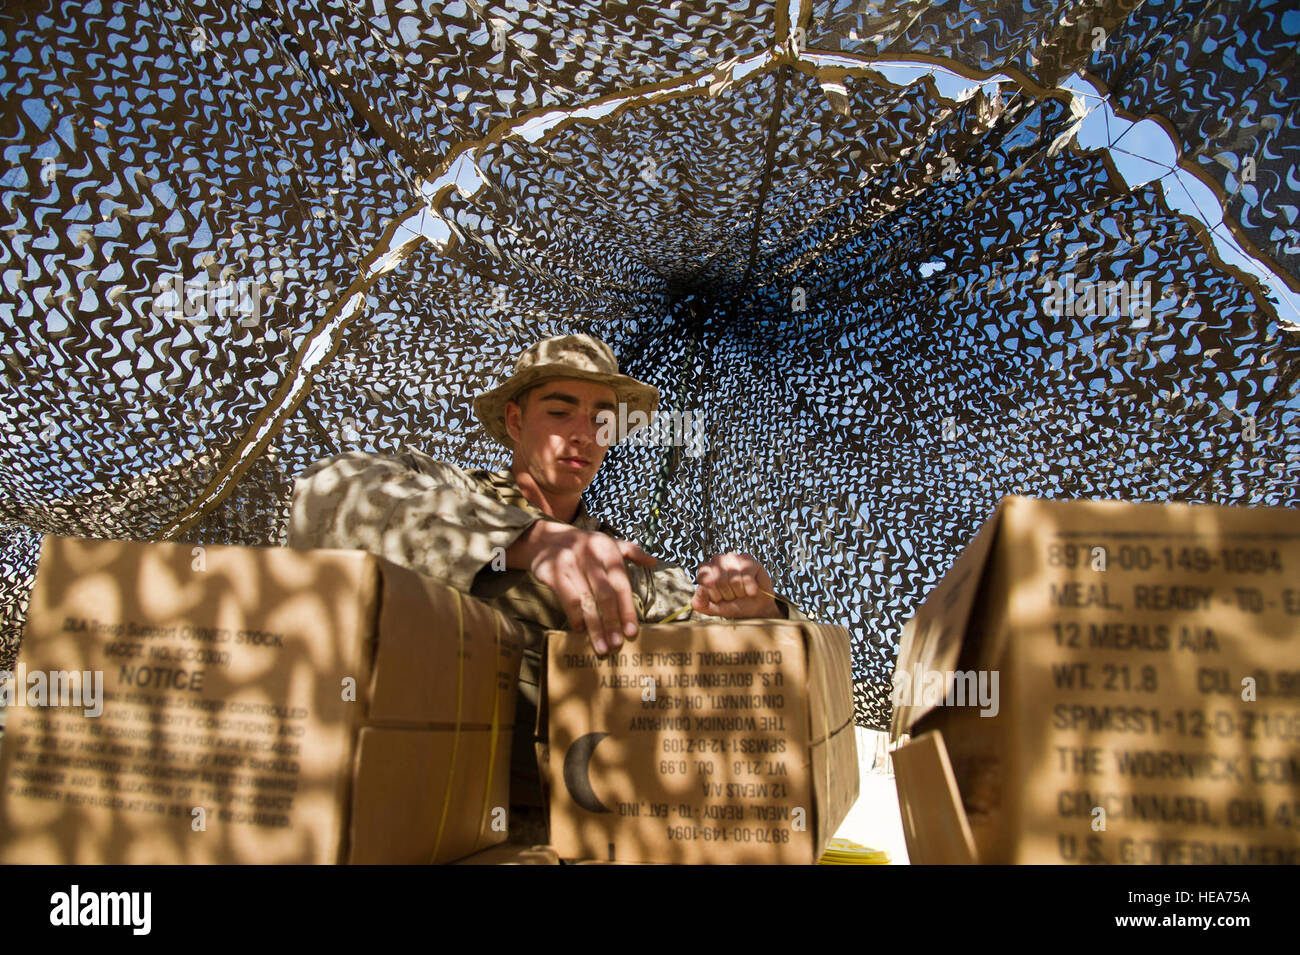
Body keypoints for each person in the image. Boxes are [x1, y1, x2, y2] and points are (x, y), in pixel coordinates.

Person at [286, 333, 804, 842]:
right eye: (559, 412)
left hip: (567, 835)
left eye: (601, 418)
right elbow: (324, 493)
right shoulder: (454, 496)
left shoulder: (617, 564)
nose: (582, 434)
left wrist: (754, 609)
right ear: (516, 421)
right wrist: (523, 541)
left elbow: (757, 651)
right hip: (427, 824)